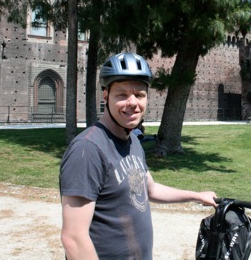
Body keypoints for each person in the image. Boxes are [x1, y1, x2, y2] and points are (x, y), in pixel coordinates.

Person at [59, 52, 217, 260]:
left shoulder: (132, 139)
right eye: (122, 95)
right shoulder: (87, 149)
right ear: (105, 96)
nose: (133, 103)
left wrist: (197, 196)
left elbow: (149, 188)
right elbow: (74, 238)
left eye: (140, 95)